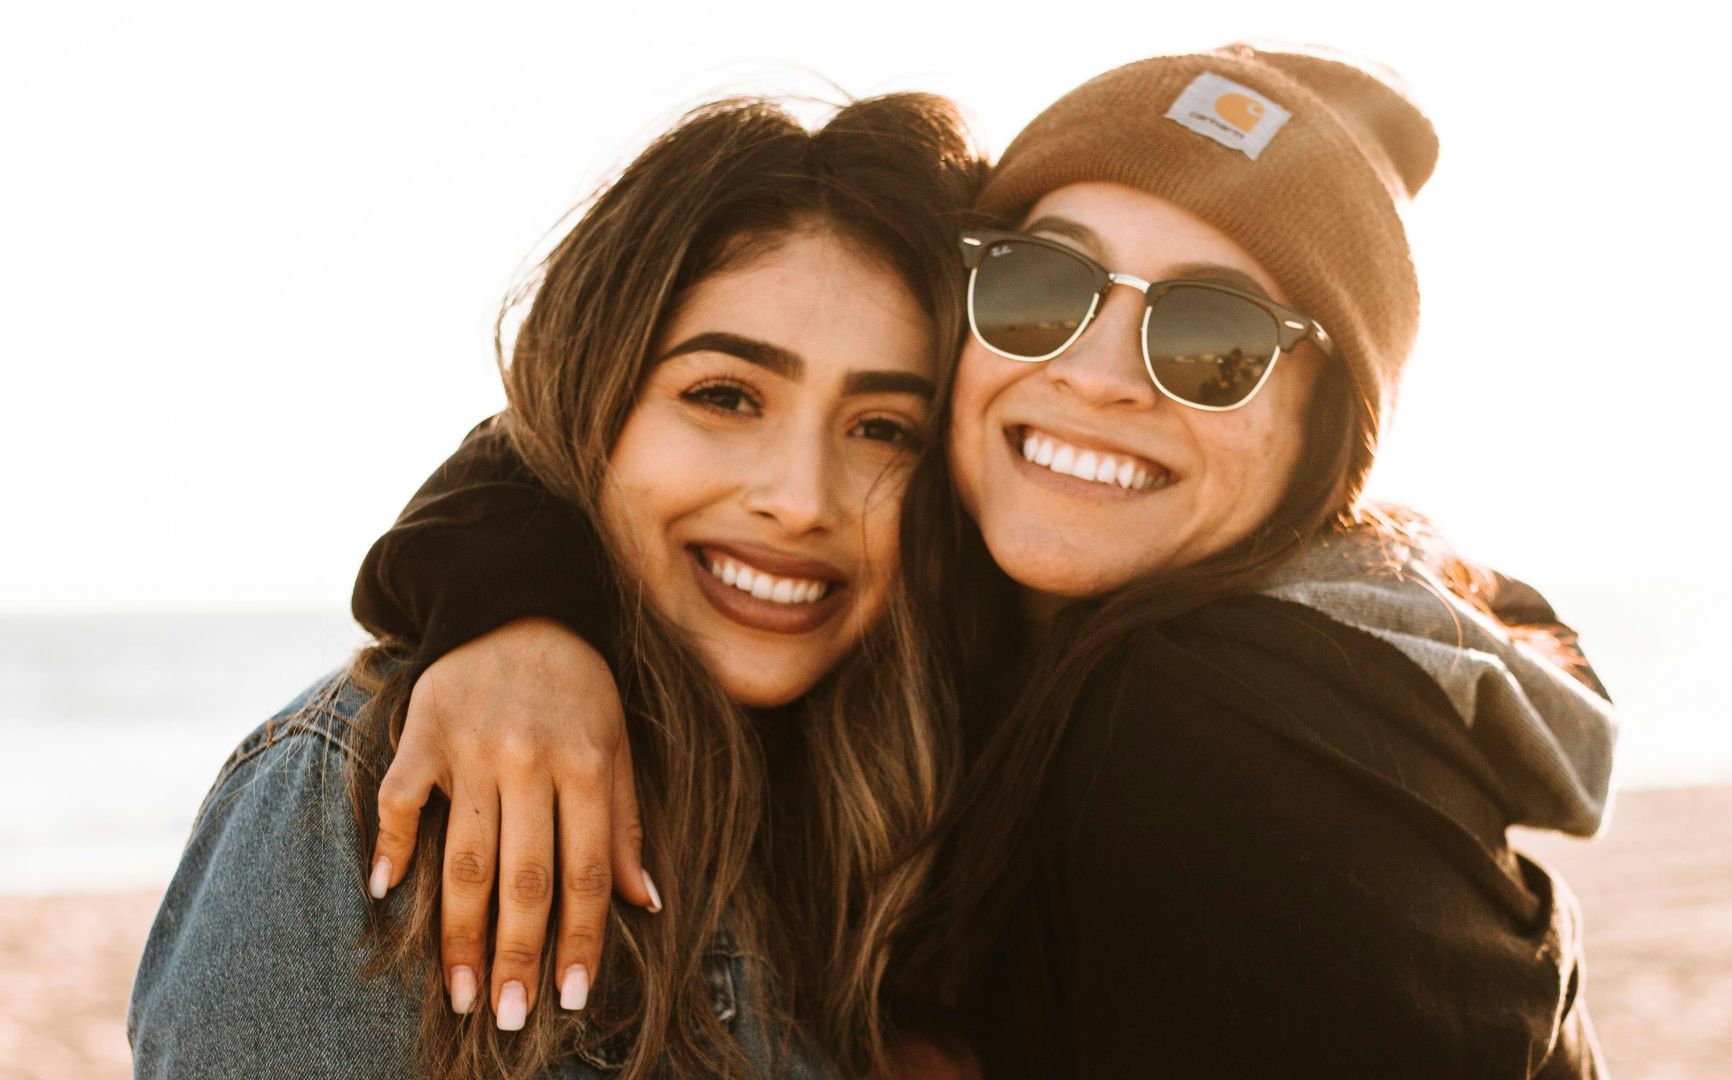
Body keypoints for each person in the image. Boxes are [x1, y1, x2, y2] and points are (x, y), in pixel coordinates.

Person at [345, 45, 1618, 1077]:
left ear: (1324, 436)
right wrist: (520, 610)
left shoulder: (1223, 722)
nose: (1099, 375)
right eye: (1040, 290)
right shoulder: (991, 605)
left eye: (1214, 339)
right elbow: (599, 414)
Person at [127, 92, 983, 1079]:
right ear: (590, 403)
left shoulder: (907, 812)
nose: (800, 501)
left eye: (883, 429)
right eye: (723, 396)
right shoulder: (375, 792)